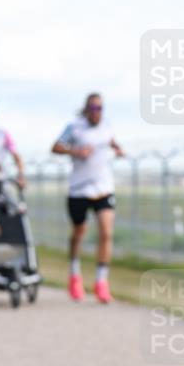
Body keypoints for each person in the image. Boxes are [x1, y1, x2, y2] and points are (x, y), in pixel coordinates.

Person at [51, 92, 124, 303]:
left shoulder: (107, 125)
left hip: (103, 187)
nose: (96, 112)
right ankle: (74, 275)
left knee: (106, 232)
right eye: (92, 108)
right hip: (79, 189)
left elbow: (111, 141)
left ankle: (101, 281)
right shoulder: (74, 127)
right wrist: (75, 151)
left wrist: (117, 148)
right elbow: (56, 147)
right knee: (79, 232)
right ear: (86, 109)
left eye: (99, 108)